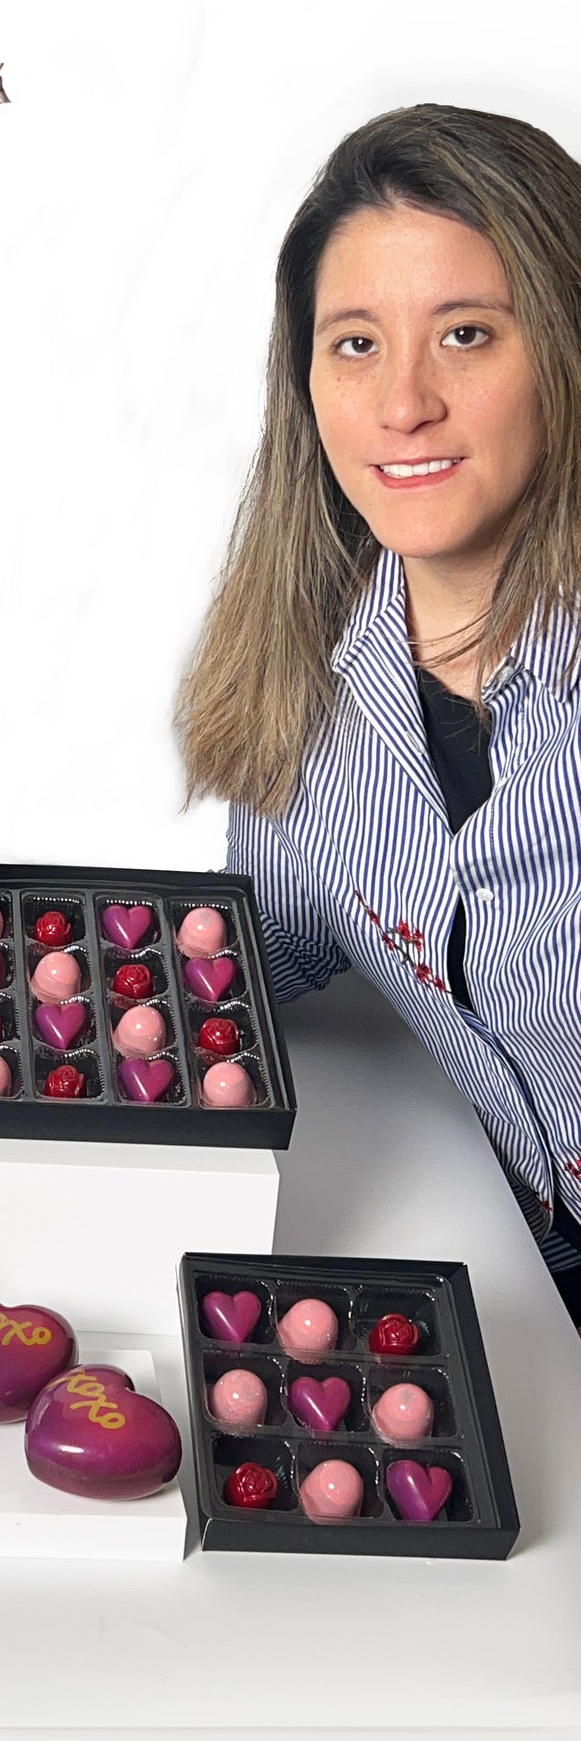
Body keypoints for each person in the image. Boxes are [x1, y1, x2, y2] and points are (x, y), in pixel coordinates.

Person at [176, 102, 581, 1325]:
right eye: (355, 343)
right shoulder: (305, 677)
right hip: (534, 1257)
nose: (403, 403)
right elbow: (271, 946)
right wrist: (16, 996)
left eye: (467, 334)